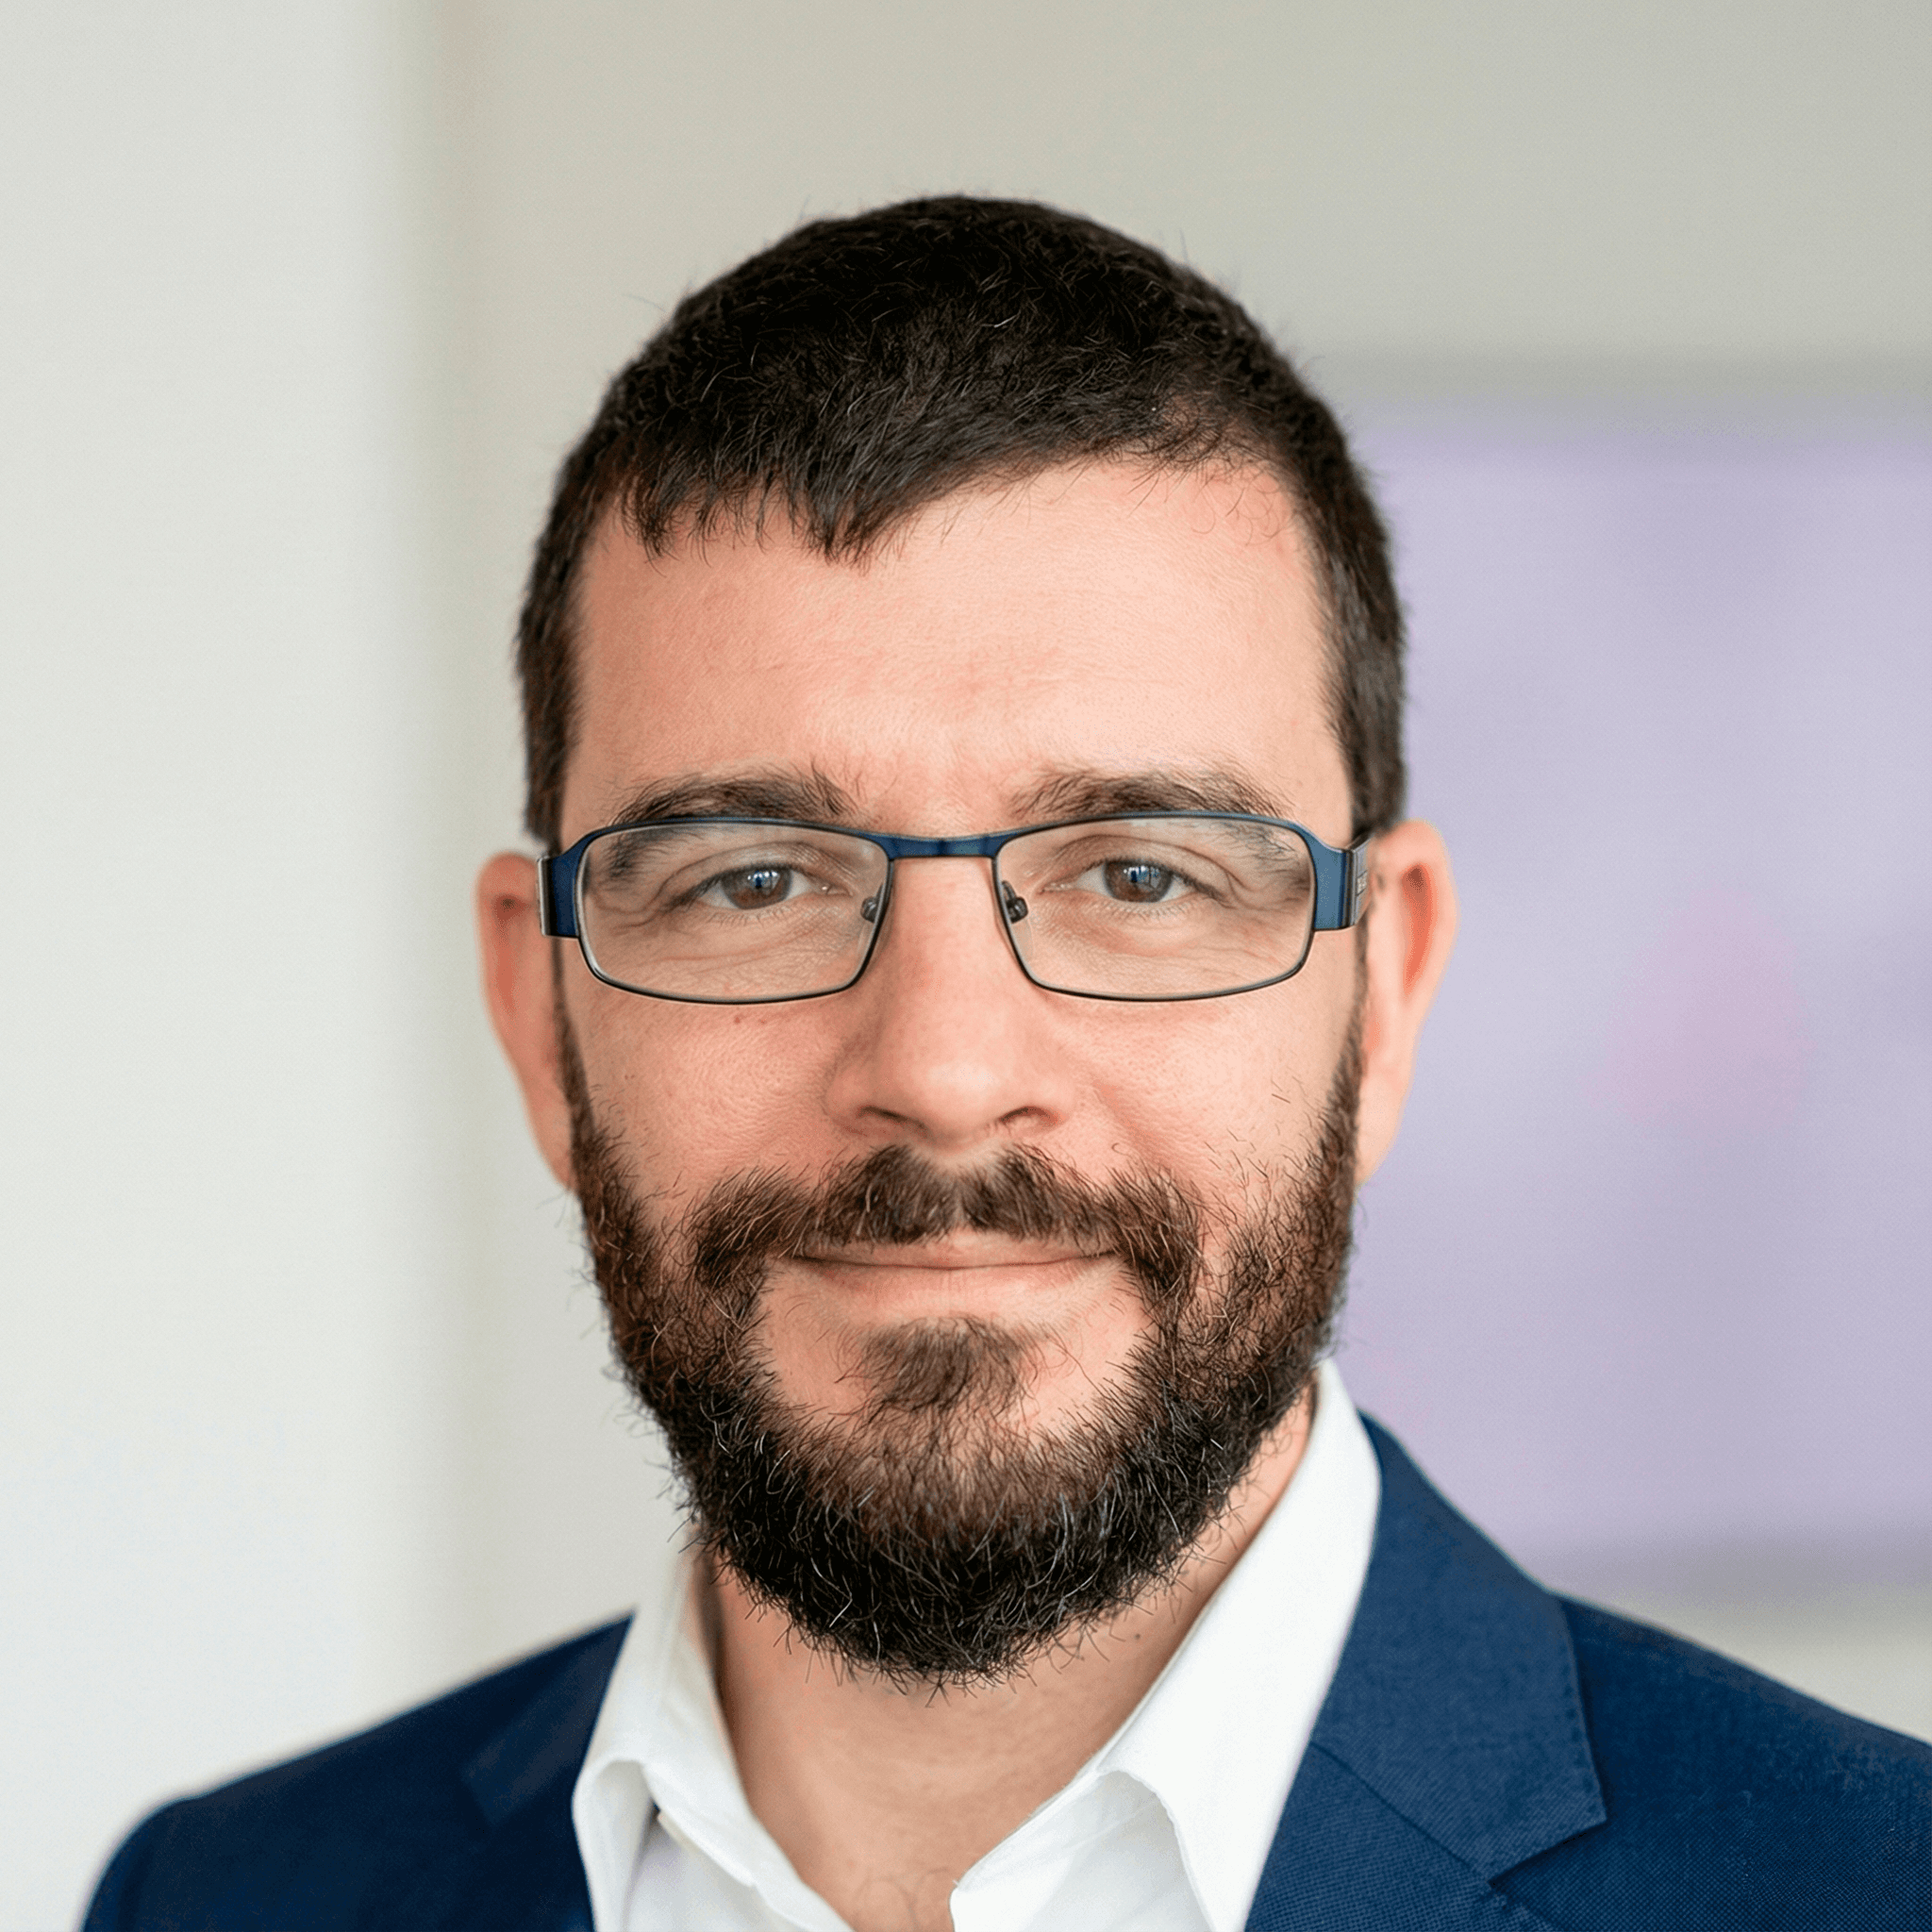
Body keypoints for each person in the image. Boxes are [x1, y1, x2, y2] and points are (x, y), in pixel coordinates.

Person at [84, 197, 1928, 1932]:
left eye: (1140, 874)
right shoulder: (228, 1895)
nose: (947, 1072)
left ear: (1383, 995)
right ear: (538, 1015)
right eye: (751, 879)